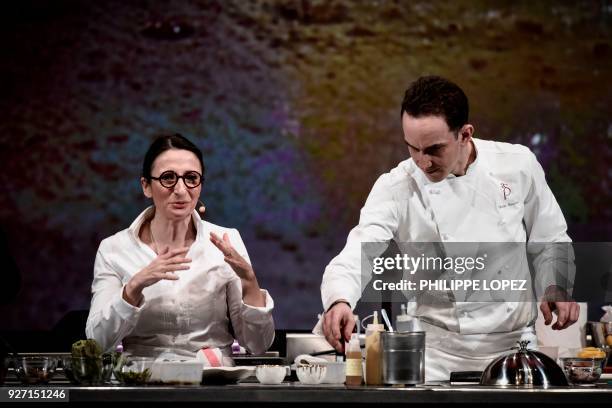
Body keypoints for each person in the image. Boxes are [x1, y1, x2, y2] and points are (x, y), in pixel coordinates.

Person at [320, 76, 579, 381]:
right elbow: (361, 248)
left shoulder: (517, 165)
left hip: (514, 350)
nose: (422, 162)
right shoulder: (396, 186)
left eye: (433, 149)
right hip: (434, 357)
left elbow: (550, 239)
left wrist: (555, 285)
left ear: (465, 134)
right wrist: (339, 300)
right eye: (412, 148)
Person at [86, 134, 274, 360]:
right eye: (168, 178)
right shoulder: (114, 248)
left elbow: (258, 344)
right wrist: (133, 288)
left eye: (191, 178)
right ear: (146, 186)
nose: (181, 190)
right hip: (142, 382)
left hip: (212, 381)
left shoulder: (226, 240)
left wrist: (250, 282)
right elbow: (97, 342)